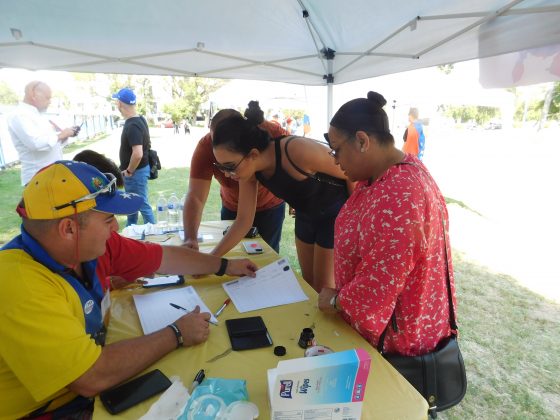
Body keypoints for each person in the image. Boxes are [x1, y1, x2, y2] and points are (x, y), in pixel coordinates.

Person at [0, 160, 257, 419]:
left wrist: (224, 265)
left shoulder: (88, 247)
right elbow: (91, 377)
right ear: (69, 229)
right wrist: (177, 333)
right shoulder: (20, 285)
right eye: (109, 219)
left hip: (82, 391)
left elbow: (164, 257)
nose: (116, 228)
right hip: (48, 410)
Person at [318, 91, 458, 357]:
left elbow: (378, 285)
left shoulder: (401, 193)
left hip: (397, 345)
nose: (335, 160)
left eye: (337, 150)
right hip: (395, 330)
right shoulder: (394, 172)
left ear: (362, 141)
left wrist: (337, 300)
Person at [212, 114, 353, 292]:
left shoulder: (296, 150)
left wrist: (355, 220)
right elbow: (243, 220)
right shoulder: (248, 170)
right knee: (309, 285)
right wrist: (212, 260)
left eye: (230, 166)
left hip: (335, 216)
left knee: (324, 288)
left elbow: (352, 172)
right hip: (306, 216)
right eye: (221, 167)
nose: (226, 174)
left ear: (252, 154)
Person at [183, 104, 287, 253]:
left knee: (266, 255)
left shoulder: (272, 135)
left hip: (270, 205)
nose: (227, 174)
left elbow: (300, 166)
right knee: (232, 253)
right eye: (215, 141)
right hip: (232, 205)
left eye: (230, 166)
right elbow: (196, 197)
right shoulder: (207, 147)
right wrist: (190, 238)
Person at [7, 81, 79, 185]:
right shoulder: (19, 115)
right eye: (47, 98)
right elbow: (35, 144)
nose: (49, 102)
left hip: (50, 175)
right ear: (33, 95)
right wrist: (61, 135)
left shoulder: (38, 115)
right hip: (37, 178)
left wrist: (65, 136)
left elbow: (51, 143)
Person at [113, 87, 155, 226]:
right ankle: (131, 231)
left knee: (141, 204)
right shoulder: (139, 119)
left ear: (120, 104)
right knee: (132, 205)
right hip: (138, 171)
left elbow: (138, 153)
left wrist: (129, 171)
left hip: (135, 173)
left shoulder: (132, 125)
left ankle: (155, 233)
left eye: (116, 102)